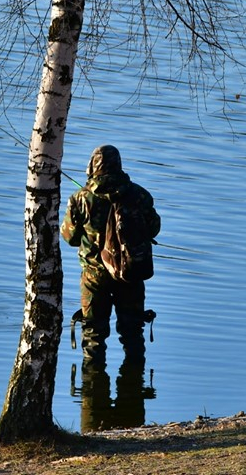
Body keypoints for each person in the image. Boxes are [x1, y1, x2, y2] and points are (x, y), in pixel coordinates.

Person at [60, 144, 161, 368]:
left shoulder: (80, 199)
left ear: (92, 167)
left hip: (94, 276)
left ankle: (93, 394)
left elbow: (70, 238)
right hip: (130, 273)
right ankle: (134, 389)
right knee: (133, 333)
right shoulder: (139, 195)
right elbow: (154, 228)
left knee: (94, 336)